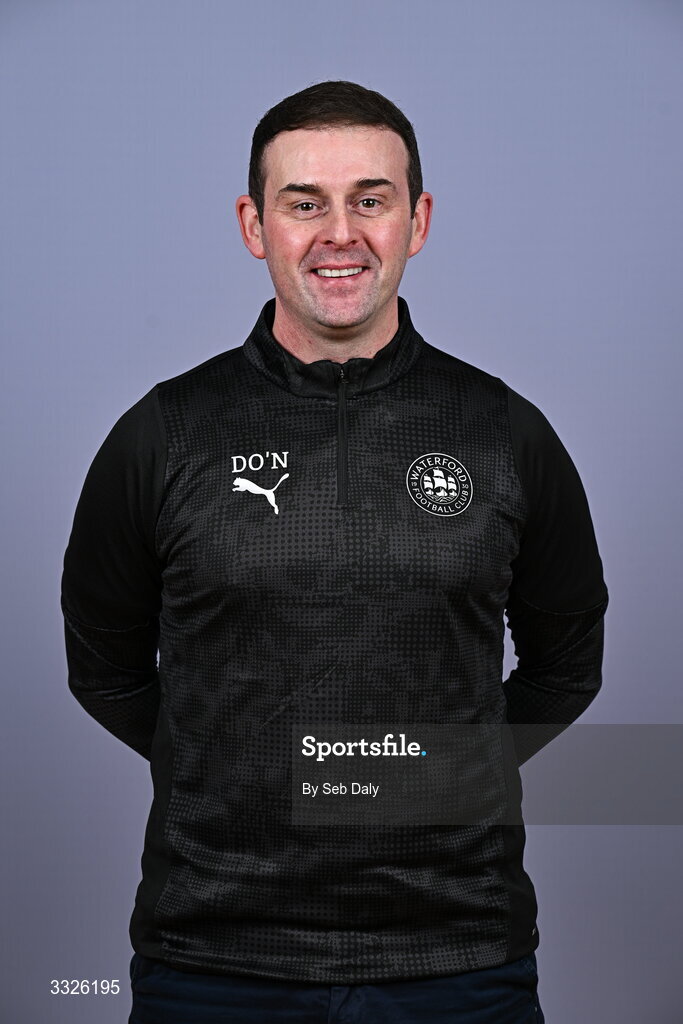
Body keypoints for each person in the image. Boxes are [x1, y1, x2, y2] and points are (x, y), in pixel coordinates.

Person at [60, 80, 608, 1023]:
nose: (339, 234)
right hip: (214, 957)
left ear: (417, 220)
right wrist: (233, 770)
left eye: (370, 199)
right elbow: (105, 672)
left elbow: (565, 667)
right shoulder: (164, 435)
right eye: (304, 203)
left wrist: (429, 778)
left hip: (458, 956)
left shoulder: (503, 433)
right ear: (254, 225)